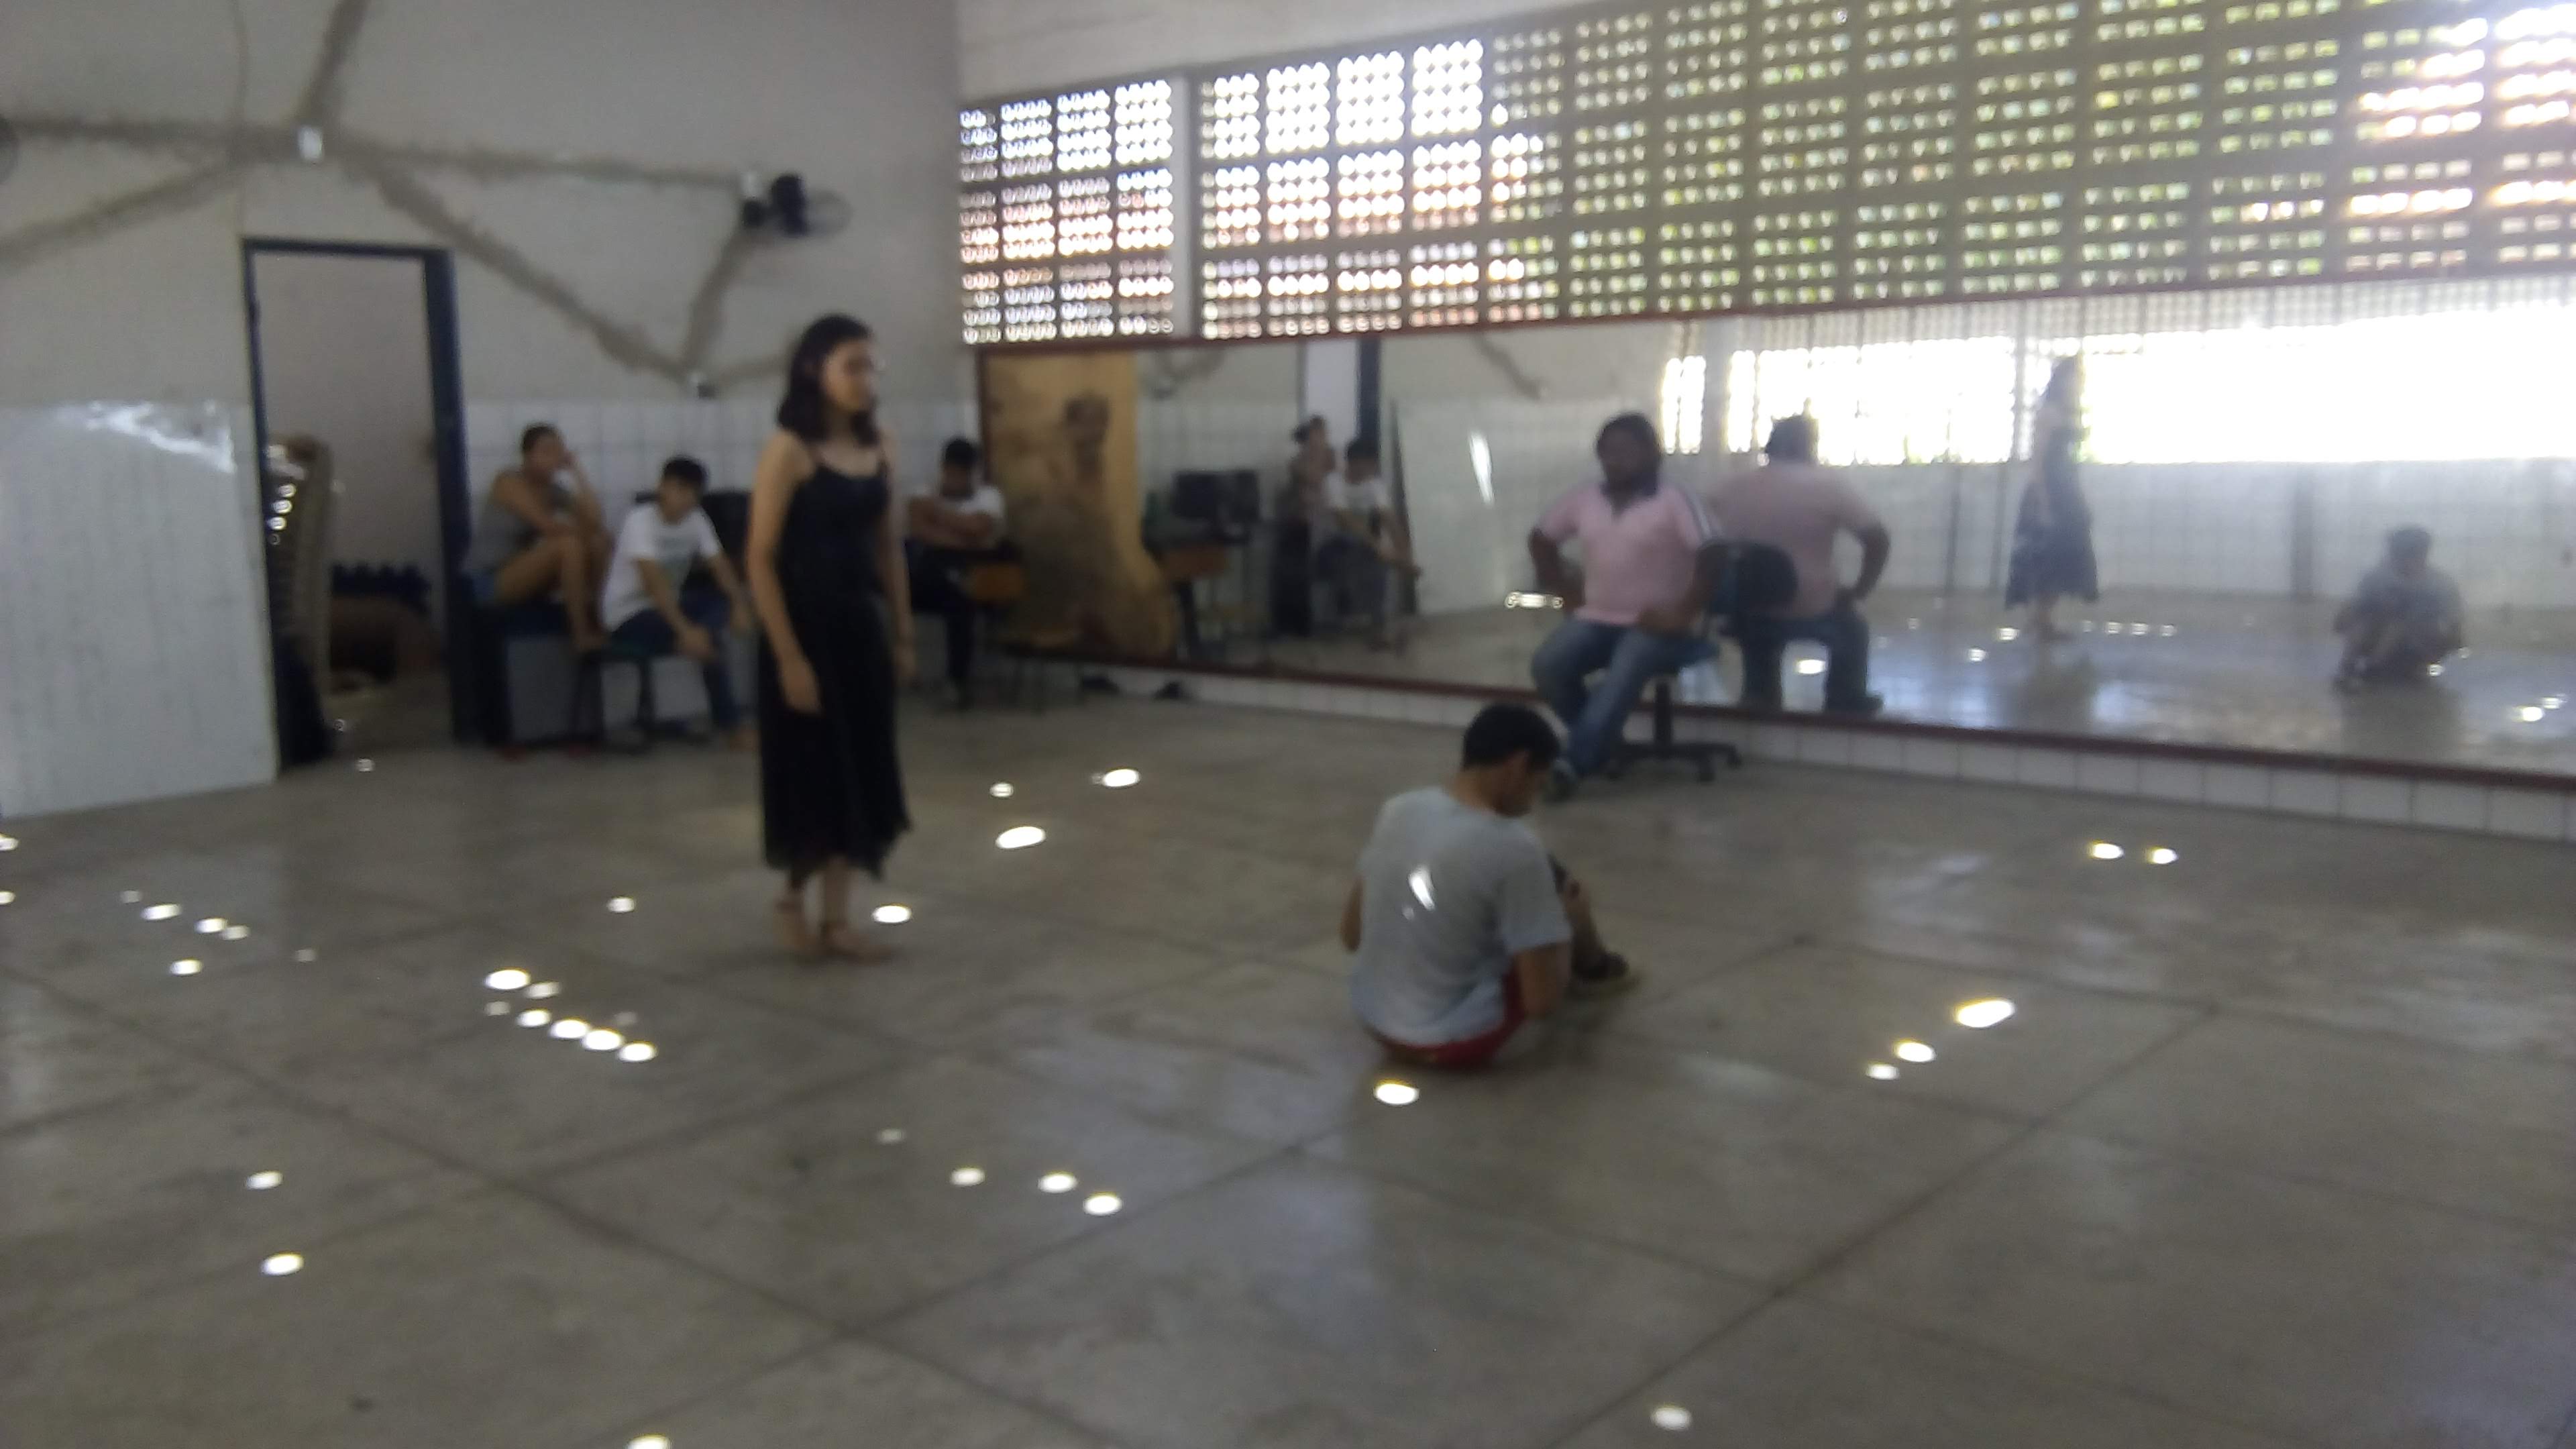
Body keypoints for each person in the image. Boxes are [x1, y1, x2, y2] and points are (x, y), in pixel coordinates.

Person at [748, 315, 915, 961]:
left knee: (862, 769)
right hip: (804, 628)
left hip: (857, 628)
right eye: (852, 366)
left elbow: (888, 549)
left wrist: (902, 633)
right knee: (816, 772)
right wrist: (789, 656)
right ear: (814, 370)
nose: (864, 379)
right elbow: (760, 557)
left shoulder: (882, 447)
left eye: (871, 366)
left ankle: (838, 919)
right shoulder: (790, 451)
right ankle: (793, 896)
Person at [1343, 703, 1635, 1069]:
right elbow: (1541, 1003)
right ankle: (1594, 964)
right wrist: (1563, 927)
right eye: (1537, 784)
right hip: (1449, 1041)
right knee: (1553, 913)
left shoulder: (1398, 809)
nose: (1531, 804)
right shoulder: (1515, 847)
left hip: (1373, 1020)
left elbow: (1351, 935)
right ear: (1518, 766)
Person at [1527, 413, 1725, 798]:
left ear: (1653, 453)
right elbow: (1540, 539)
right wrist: (1564, 590)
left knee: (1627, 664)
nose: (1616, 460)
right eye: (1608, 451)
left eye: (1627, 450)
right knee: (1549, 665)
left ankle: (1573, 764)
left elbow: (1715, 552)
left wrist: (1683, 612)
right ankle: (1601, 743)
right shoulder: (1585, 497)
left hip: (1662, 626)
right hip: (1598, 618)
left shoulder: (1676, 498)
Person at [1709, 415, 1891, 714]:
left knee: (1758, 623)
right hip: (1810, 604)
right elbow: (1878, 539)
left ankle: (1759, 695)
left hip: (1746, 605)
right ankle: (1845, 698)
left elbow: (1703, 542)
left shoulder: (1729, 488)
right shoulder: (1828, 487)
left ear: (1770, 446)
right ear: (1810, 446)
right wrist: (1859, 590)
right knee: (1852, 628)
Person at [599, 456, 755, 748]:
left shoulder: (697, 520)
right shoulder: (639, 521)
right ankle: (732, 726)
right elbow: (654, 585)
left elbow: (719, 565)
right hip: (628, 617)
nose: (686, 499)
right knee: (710, 643)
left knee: (720, 602)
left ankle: (700, 638)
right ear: (662, 487)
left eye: (693, 492)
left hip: (668, 611)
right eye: (680, 489)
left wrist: (739, 605)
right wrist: (686, 630)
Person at [462, 423, 612, 649]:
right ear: (527, 456)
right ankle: (581, 637)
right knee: (568, 546)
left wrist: (577, 471)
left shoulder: (554, 490)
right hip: (489, 581)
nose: (554, 457)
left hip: (524, 576)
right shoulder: (508, 482)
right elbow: (549, 527)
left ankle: (601, 625)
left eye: (558, 451)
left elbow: (596, 522)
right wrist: (585, 532)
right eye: (546, 451)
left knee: (599, 543)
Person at [905, 437, 1010, 706]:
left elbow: (979, 528)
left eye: (963, 473)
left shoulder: (988, 497)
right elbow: (919, 530)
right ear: (943, 468)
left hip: (972, 577)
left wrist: (937, 513)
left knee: (961, 601)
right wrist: (965, 536)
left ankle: (956, 681)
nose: (956, 479)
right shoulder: (923, 492)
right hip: (929, 575)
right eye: (952, 472)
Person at [2004, 357, 2099, 639]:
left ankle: (2044, 618)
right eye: (2075, 377)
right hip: (2050, 488)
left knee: (2064, 552)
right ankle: (2040, 619)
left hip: (2067, 487)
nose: (2079, 382)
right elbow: (2037, 460)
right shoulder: (2048, 413)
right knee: (2045, 553)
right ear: (2062, 379)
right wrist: (2042, 500)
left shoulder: (2071, 412)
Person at [1316, 436, 1419, 647]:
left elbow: (1389, 520)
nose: (1372, 469)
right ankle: (1336, 621)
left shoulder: (1374, 485)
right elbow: (1345, 521)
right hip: (1332, 544)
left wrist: (1404, 554)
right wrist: (1379, 547)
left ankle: (1377, 625)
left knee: (1378, 565)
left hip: (1364, 544)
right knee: (1365, 554)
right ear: (1354, 462)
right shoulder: (1333, 482)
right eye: (1369, 464)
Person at [2336, 525, 2464, 690]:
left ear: (2422, 555)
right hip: (2378, 640)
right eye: (2397, 554)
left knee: (2398, 626)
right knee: (2365, 621)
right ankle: (2350, 667)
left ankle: (2375, 668)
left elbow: (2454, 626)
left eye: (2409, 554)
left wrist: (2447, 644)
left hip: (2419, 646)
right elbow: (2347, 614)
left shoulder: (2439, 584)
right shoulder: (2377, 578)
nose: (2402, 561)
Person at [1271, 417, 1334, 637]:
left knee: (1309, 575)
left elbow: (1318, 479)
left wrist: (1319, 453)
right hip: (1297, 521)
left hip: (1319, 523)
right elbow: (1304, 476)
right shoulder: (1298, 461)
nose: (1318, 439)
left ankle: (1309, 624)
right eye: (1313, 434)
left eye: (1320, 433)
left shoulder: (1329, 457)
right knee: (1291, 574)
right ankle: (1291, 624)